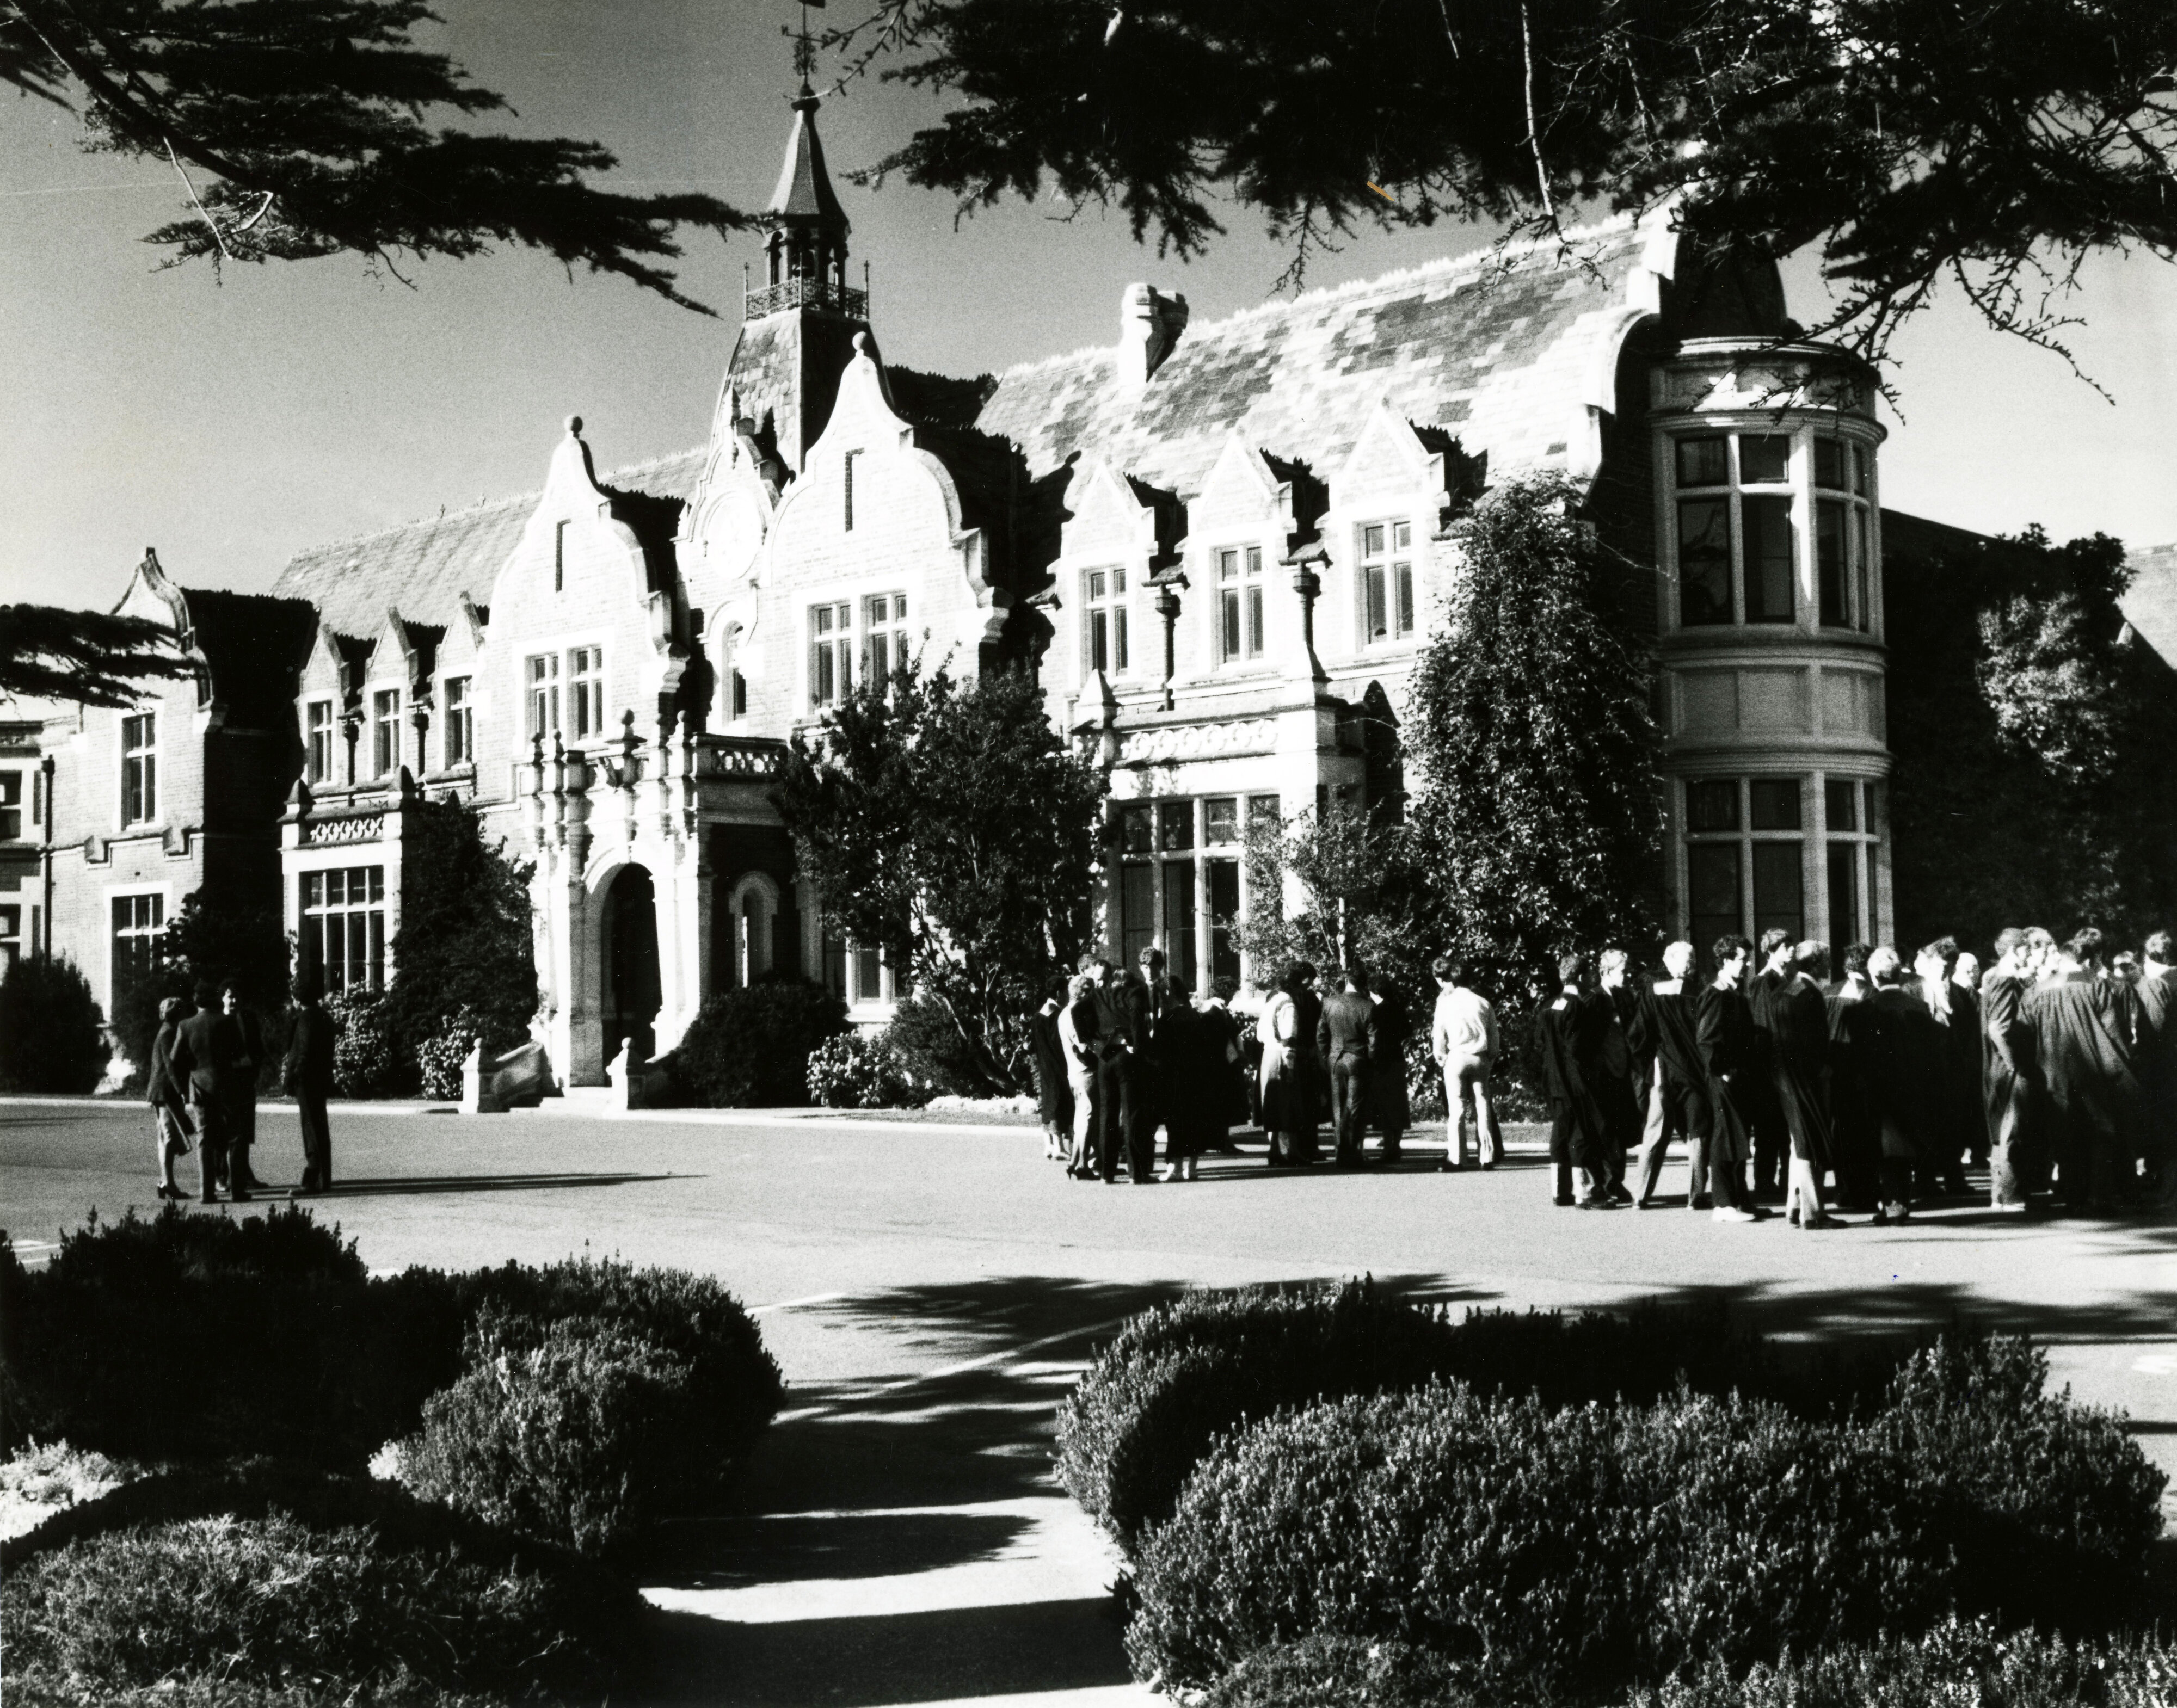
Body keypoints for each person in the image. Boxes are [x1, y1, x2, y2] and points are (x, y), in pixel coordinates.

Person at [2024, 929, 2139, 1212]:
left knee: (2065, 1134)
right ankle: (2099, 1197)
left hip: (2053, 1073)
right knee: (2101, 1133)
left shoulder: (2037, 990)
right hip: (2095, 1071)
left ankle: (2073, 1198)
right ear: (2086, 961)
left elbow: (2023, 1032)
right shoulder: (2096, 986)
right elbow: (2113, 1032)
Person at [1862, 947, 1944, 1224]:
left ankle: (1892, 1202)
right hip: (1914, 1084)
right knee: (1908, 1143)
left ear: (1875, 977)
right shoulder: (1918, 1007)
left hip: (1880, 1086)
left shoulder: (1868, 1008)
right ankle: (1901, 1201)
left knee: (1885, 1148)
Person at [1630, 941, 1712, 1209]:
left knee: (1654, 1135)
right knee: (1697, 1134)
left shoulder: (1651, 993)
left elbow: (1638, 1036)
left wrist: (1646, 1066)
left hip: (1663, 1072)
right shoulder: (1701, 994)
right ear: (1691, 964)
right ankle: (1696, 1195)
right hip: (1695, 1073)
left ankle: (1640, 1195)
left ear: (1668, 964)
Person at [1533, 952, 1615, 1208]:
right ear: (1580, 977)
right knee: (1583, 1132)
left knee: (1560, 1133)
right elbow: (1581, 1047)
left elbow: (1538, 1045)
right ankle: (1587, 1192)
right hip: (1578, 1079)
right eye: (1590, 973)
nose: (1592, 977)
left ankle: (1561, 1190)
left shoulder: (1547, 1006)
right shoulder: (1580, 1006)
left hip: (1553, 1079)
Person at [1770, 942, 1840, 1227]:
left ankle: (1796, 1207)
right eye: (1825, 960)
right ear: (1815, 962)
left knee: (1797, 1140)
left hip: (1784, 1074)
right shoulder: (1809, 993)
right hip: (1806, 1077)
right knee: (1809, 1141)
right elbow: (1815, 1041)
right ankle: (1813, 1212)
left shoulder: (1782, 990)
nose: (1829, 966)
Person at [1695, 935, 1762, 1223]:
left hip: (1739, 1075)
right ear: (1725, 961)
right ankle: (1723, 1204)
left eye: (1747, 959)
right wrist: (1721, 1070)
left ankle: (1739, 1199)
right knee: (1725, 1136)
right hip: (1725, 1076)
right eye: (1741, 959)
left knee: (1738, 1136)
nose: (1747, 964)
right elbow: (1706, 1037)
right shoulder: (1716, 993)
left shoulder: (1734, 992)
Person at [169, 979, 251, 1203]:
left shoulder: (185, 1026)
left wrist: (193, 1067)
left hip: (199, 1086)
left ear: (196, 1002)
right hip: (227, 1085)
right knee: (234, 1137)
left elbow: (175, 1059)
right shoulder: (227, 1022)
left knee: (205, 1139)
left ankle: (207, 1192)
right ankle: (237, 1190)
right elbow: (239, 1054)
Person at [1914, 936, 1977, 1195]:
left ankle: (1954, 1177)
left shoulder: (1961, 994)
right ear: (1928, 964)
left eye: (1949, 967)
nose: (1944, 972)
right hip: (1925, 1072)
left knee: (1954, 1125)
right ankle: (1926, 1181)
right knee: (1926, 1126)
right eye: (1940, 966)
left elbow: (1970, 1032)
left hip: (1954, 1071)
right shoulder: (1914, 991)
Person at [1979, 929, 2036, 1211]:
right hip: (2007, 1068)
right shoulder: (2005, 982)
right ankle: (2011, 1196)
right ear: (2015, 950)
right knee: (2012, 1132)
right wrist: (2015, 1063)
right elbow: (1998, 1029)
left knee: (2002, 1133)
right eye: (2026, 948)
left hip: (1998, 1067)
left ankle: (2000, 1196)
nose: (2029, 953)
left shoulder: (1995, 980)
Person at [1430, 956, 1502, 1170]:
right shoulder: (1483, 1002)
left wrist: (1439, 1054)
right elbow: (1494, 1035)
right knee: (1482, 1105)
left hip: (1457, 1057)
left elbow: (1439, 1033)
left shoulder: (1446, 1002)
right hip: (1479, 1057)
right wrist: (1491, 1056)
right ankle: (1487, 1156)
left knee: (1457, 1109)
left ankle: (1458, 1157)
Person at [1825, 944, 1880, 1211]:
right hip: (1860, 1073)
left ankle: (1843, 1189)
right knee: (1863, 1134)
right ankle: (1864, 1191)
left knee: (1840, 1133)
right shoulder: (1871, 995)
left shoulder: (1828, 992)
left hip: (1833, 1073)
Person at [1586, 949, 1640, 1202]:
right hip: (1602, 1073)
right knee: (1606, 1129)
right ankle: (1605, 1182)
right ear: (1606, 972)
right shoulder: (1594, 1000)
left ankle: (1617, 1181)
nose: (1627, 976)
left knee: (1621, 1128)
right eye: (1623, 971)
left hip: (1622, 1070)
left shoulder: (1626, 996)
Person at [1746, 929, 1796, 1199]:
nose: (1791, 949)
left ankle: (1785, 1180)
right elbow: (1765, 1025)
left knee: (1782, 1127)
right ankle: (1764, 1182)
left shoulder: (1785, 978)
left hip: (1781, 1064)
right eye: (1786, 946)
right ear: (1772, 950)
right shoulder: (1763, 982)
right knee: (1769, 1128)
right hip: (1771, 1066)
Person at [1259, 961, 1323, 1167]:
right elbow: (1289, 1037)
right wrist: (1289, 1065)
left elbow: (1260, 1032)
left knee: (1273, 1105)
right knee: (1289, 1104)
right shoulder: (1288, 1003)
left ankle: (1275, 1150)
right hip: (1281, 1055)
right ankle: (1293, 1152)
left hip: (1268, 1054)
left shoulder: (1273, 999)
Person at [1318, 963, 1380, 1168]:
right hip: (1358, 1060)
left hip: (1336, 1059)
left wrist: (1327, 1056)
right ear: (1363, 983)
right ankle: (1352, 1154)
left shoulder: (1329, 1003)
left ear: (1347, 981)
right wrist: (1372, 1061)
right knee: (1355, 1108)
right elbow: (1374, 1041)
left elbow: (1321, 1035)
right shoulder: (1368, 1006)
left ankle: (1340, 1152)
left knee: (1339, 1108)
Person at [285, 971, 337, 1193]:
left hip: (307, 1080)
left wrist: (291, 1078)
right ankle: (324, 1178)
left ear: (297, 999)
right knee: (319, 1126)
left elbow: (302, 1053)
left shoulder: (305, 1019)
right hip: (321, 1076)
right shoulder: (325, 1017)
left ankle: (313, 1178)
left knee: (311, 1128)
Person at [1157, 975, 1212, 1181]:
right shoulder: (1194, 1015)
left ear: (1167, 993)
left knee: (1176, 1123)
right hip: (1196, 1075)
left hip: (1174, 1075)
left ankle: (1175, 1167)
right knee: (1194, 1120)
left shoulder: (1168, 1018)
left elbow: (1159, 1050)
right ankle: (1193, 1168)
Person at [147, 993, 195, 1201]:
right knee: (168, 1137)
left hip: (162, 1091)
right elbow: (170, 1065)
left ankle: (166, 1181)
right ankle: (169, 1183)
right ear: (176, 1013)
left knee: (165, 1138)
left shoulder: (167, 1031)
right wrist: (181, 1090)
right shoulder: (169, 1033)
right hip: (166, 1091)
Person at [1057, 970, 1104, 1179]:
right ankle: (1083, 1165)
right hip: (1085, 1071)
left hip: (1072, 1071)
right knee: (1088, 1116)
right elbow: (1084, 1046)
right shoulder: (1076, 1014)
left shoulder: (1063, 1013)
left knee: (1080, 1117)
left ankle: (1075, 1160)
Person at [1366, 972, 1412, 1163]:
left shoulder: (1377, 1011)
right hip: (1397, 1058)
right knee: (1398, 1102)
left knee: (1385, 1104)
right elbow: (1407, 1031)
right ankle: (1396, 1145)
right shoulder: (1398, 1008)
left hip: (1382, 1060)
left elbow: (1374, 1037)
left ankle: (1387, 1146)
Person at [1028, 977, 1074, 1162]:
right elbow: (1060, 1041)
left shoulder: (1038, 1016)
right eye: (1065, 992)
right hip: (1058, 1063)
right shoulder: (1057, 1015)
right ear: (1058, 993)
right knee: (1058, 1102)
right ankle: (1059, 1147)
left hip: (1044, 1064)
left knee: (1049, 1101)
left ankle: (1049, 1145)